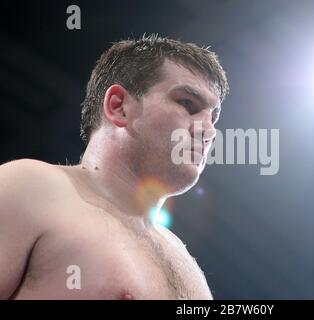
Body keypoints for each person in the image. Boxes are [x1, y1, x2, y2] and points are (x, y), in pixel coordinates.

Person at [0, 35, 229, 299]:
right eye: (187, 103)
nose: (209, 131)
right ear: (118, 106)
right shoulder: (31, 188)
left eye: (213, 117)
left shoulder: (186, 265)